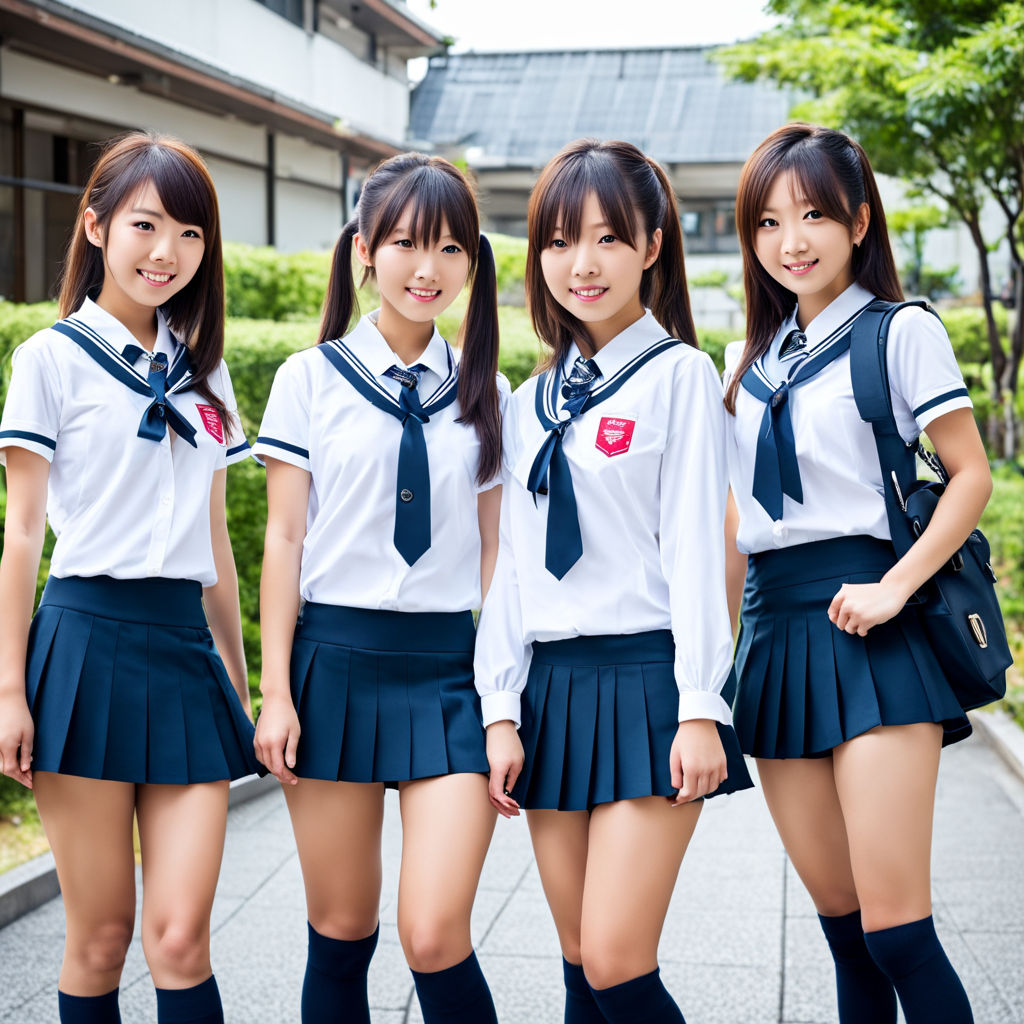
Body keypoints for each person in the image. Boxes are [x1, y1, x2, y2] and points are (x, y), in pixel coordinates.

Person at [476, 138, 753, 1024]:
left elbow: (698, 559)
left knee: (616, 961)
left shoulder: (680, 377)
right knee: (575, 961)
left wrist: (701, 704)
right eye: (558, 242)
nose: (581, 264)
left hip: (648, 683)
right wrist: (501, 708)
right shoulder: (528, 403)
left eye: (606, 239)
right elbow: (512, 570)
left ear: (653, 245)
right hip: (552, 691)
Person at [724, 122, 986, 1024]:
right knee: (843, 929)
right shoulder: (746, 363)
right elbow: (735, 524)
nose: (789, 242)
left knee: (898, 931)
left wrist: (896, 586)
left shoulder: (899, 332)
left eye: (813, 216)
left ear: (860, 221)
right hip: (775, 637)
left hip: (874, 630)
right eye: (766, 223)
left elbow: (971, 474)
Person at [0, 132, 259, 1024]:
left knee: (182, 938)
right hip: (83, 644)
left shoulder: (206, 372)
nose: (167, 252)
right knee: (100, 938)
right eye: (146, 225)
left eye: (190, 234)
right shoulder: (50, 360)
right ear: (97, 224)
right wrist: (8, 692)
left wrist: (240, 672)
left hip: (185, 651)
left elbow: (216, 539)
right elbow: (23, 536)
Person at [252, 152, 505, 1024]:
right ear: (364, 249)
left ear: (473, 262)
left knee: (435, 934)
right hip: (334, 665)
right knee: (341, 929)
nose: (426, 268)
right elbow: (282, 542)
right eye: (404, 243)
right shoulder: (308, 380)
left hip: (448, 672)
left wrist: (502, 698)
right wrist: (276, 692)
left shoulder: (488, 392)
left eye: (448, 249)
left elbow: (493, 560)